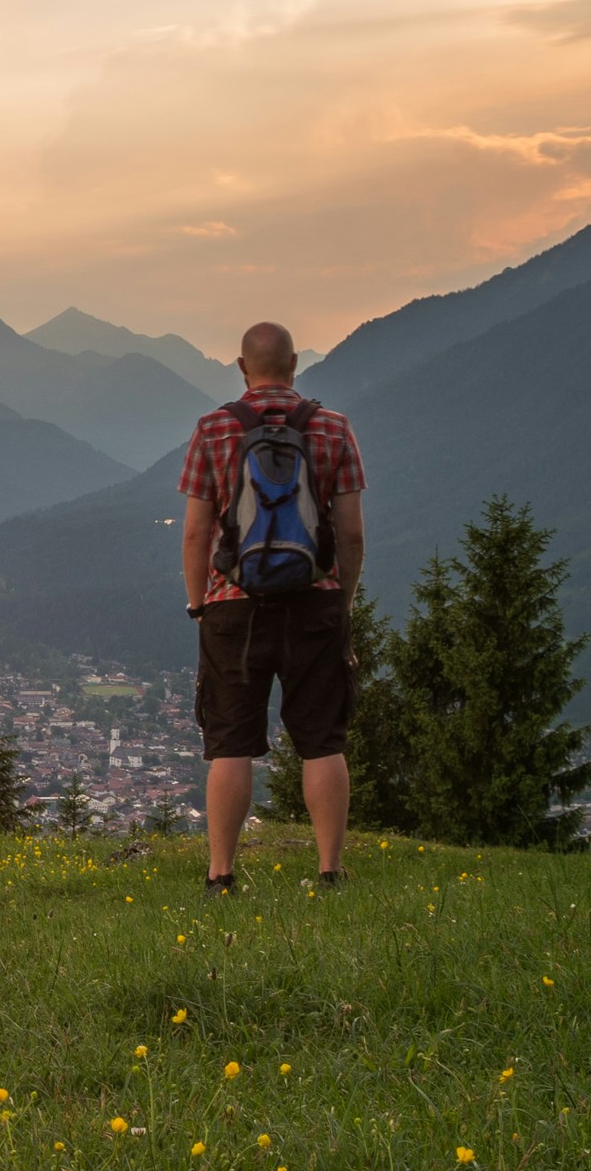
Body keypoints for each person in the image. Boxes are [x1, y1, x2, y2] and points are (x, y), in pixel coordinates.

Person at [180, 321, 365, 893]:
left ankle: (221, 876)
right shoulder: (333, 428)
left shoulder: (214, 428)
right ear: (296, 363)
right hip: (316, 603)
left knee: (231, 742)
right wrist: (343, 602)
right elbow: (351, 534)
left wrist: (199, 607)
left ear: (241, 367)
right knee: (321, 741)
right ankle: (330, 871)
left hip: (234, 605)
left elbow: (196, 533)